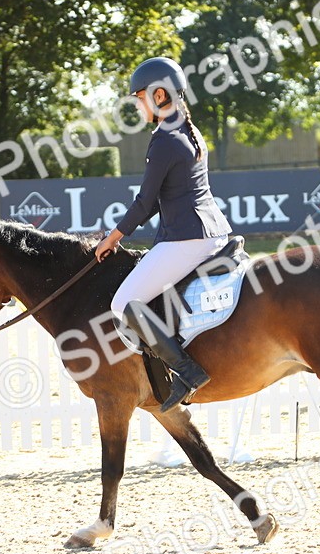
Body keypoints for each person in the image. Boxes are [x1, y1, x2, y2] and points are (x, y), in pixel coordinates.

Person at [94, 56, 232, 413]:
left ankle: (186, 370)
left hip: (187, 239)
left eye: (140, 97)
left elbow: (144, 202)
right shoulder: (189, 130)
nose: (138, 105)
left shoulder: (165, 140)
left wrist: (112, 238)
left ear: (159, 95)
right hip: (212, 231)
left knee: (122, 303)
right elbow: (162, 198)